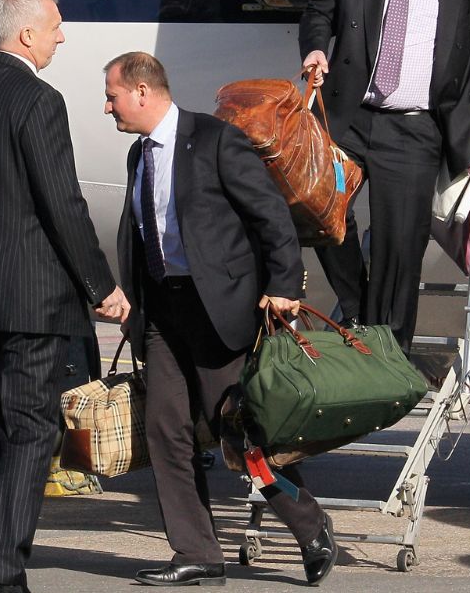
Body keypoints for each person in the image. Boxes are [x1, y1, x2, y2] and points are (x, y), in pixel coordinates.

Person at [101, 51, 337, 588]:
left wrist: (282, 287)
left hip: (219, 311)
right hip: (164, 313)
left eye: (112, 95)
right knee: (165, 430)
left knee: (243, 435)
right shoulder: (139, 156)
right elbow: (142, 238)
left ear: (142, 91)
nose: (107, 105)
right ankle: (197, 553)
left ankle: (310, 524)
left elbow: (271, 216)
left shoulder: (214, 140)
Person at [0, 0, 128, 593]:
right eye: (57, 27)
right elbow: (60, 201)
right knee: (32, 430)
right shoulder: (40, 99)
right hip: (31, 297)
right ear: (27, 35)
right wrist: (100, 284)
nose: (63, 37)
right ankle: (2, 577)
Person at [299, 0, 470, 352]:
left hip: (413, 129)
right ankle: (354, 302)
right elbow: (319, 10)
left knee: (399, 246)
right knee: (320, 208)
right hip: (349, 118)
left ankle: (387, 348)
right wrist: (315, 48)